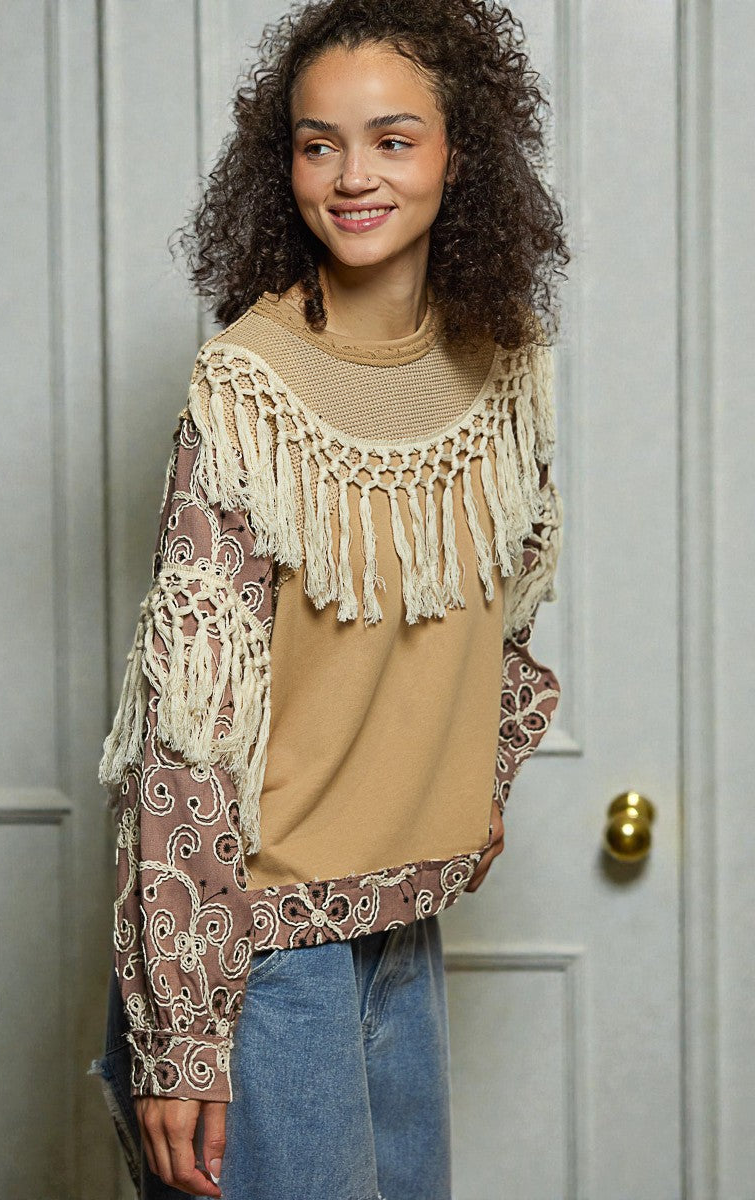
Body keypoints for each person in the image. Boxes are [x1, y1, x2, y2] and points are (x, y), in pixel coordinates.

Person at [87, 1, 570, 1196]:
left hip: (402, 931)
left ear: (462, 153)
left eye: (391, 139)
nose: (352, 176)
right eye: (317, 144)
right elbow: (182, 733)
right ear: (284, 163)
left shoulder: (502, 364)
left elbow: (503, 622)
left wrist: (470, 786)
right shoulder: (246, 386)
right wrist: (181, 1034)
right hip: (258, 958)